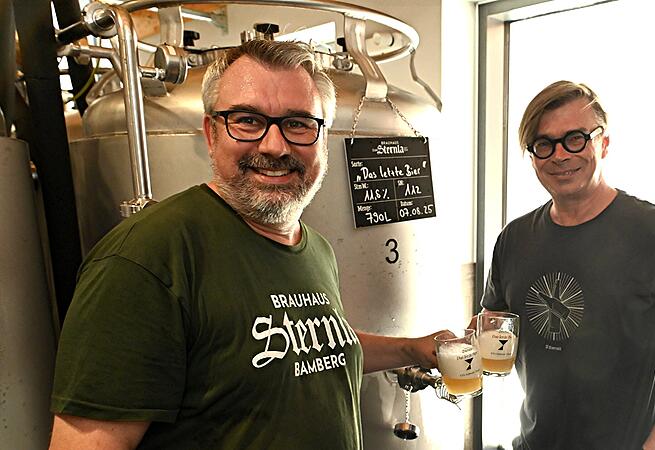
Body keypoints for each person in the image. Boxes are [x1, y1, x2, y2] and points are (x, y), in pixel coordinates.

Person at [49, 40, 441, 450]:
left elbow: (316, 348)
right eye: (248, 120)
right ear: (211, 133)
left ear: (323, 141)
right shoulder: (147, 258)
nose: (275, 146)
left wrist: (410, 348)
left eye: (298, 123)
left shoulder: (315, 249)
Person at [480, 81, 655, 450]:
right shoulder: (513, 240)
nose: (559, 155)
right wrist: (444, 350)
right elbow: (492, 331)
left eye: (575, 138)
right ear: (532, 157)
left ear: (603, 143)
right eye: (544, 144)